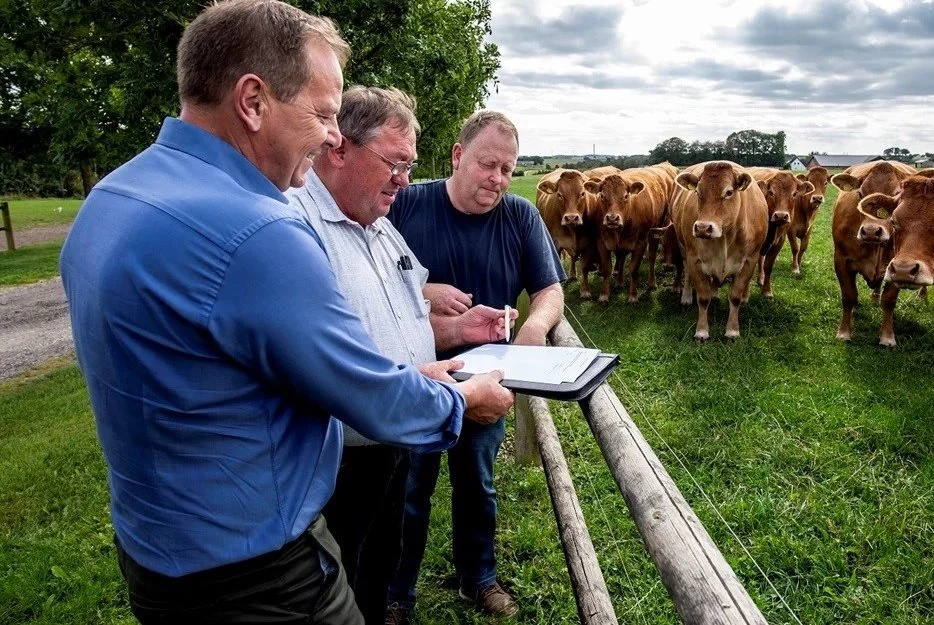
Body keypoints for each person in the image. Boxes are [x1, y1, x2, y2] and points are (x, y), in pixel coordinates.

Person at [58, 2, 513, 623]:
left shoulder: (113, 196)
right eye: (324, 114)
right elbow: (372, 400)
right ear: (253, 101)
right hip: (256, 571)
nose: (332, 136)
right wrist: (463, 401)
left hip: (155, 553)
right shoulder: (258, 230)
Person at [285, 86, 517, 624]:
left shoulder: (381, 228)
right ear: (338, 147)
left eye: (410, 166)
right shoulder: (297, 230)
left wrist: (457, 327)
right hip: (335, 460)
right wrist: (457, 400)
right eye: (394, 163)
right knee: (338, 579)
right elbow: (334, 372)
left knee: (377, 562)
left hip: (389, 440)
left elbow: (404, 317)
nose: (405, 180)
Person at [385, 111, 566, 622]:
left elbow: (549, 290)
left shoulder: (521, 216)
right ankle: (397, 589)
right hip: (414, 373)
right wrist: (423, 292)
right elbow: (370, 276)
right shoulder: (407, 204)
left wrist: (534, 329)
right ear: (458, 155)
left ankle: (477, 577)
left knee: (476, 480)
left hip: (486, 379)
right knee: (408, 484)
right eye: (489, 165)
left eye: (508, 169)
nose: (499, 180)